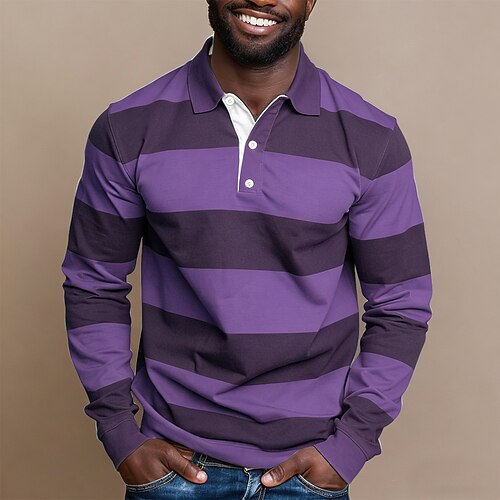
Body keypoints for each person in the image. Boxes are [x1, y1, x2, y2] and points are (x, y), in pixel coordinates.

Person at [60, 0, 433, 498]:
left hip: (309, 470)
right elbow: (94, 284)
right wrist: (119, 431)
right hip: (172, 467)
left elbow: (401, 304)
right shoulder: (127, 127)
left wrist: (352, 443)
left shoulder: (372, 138)